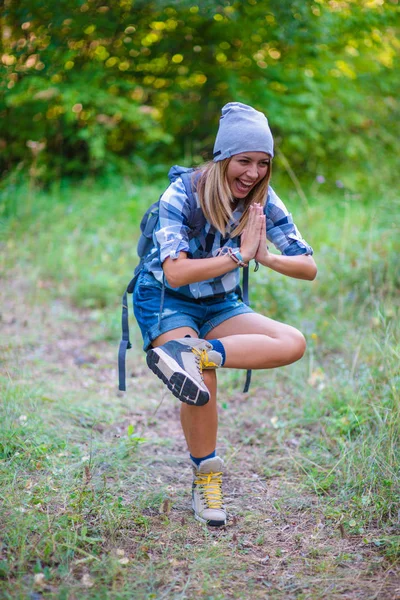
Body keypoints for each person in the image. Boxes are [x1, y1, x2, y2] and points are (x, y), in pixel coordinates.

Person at [133, 102, 317, 527]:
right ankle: (206, 477)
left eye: (263, 163)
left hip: (219, 302)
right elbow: (176, 273)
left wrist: (265, 258)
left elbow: (308, 267)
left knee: (292, 342)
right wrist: (238, 255)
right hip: (165, 297)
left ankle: (194, 353)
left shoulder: (262, 200)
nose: (253, 173)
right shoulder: (181, 194)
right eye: (244, 161)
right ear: (222, 158)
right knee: (202, 382)